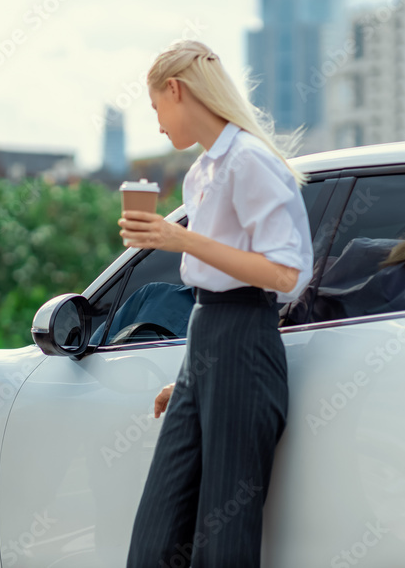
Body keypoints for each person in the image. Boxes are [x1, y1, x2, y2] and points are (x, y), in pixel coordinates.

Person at [119, 40, 313, 567]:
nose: (157, 124)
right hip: (209, 344)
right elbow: (210, 287)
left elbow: (286, 273)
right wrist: (192, 375)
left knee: (224, 547)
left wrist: (179, 239)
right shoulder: (201, 171)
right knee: (154, 542)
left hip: (246, 341)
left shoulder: (249, 161)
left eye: (156, 106)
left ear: (176, 91)